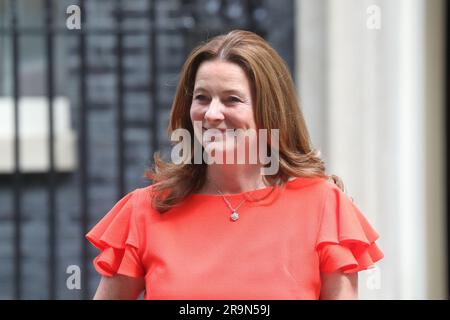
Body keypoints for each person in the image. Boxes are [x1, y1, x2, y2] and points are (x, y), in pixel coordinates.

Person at [86, 30, 384, 300]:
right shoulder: (146, 210)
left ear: (269, 112)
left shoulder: (323, 207)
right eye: (202, 98)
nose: (212, 113)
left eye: (231, 100)